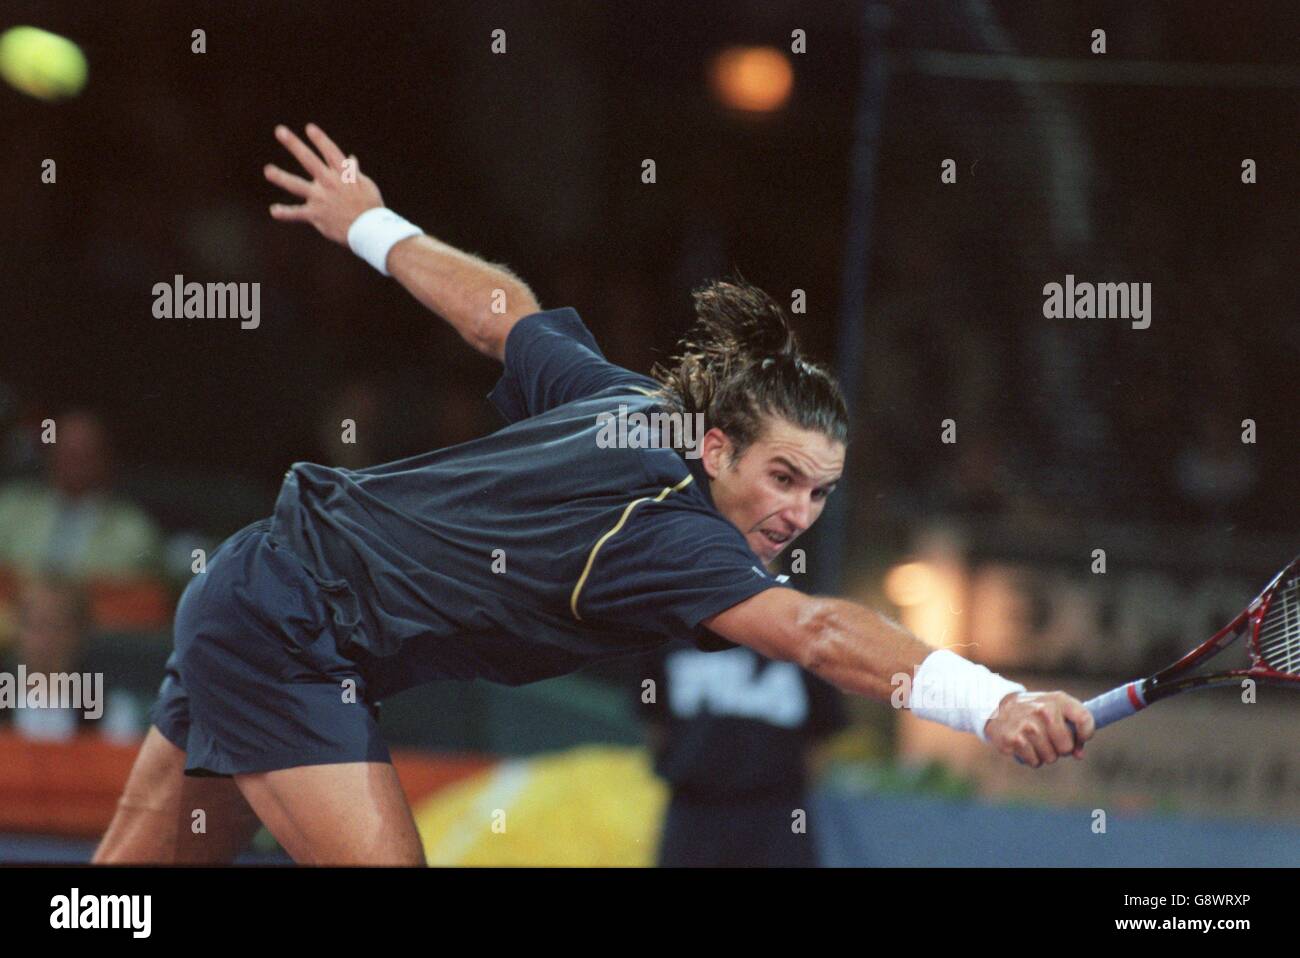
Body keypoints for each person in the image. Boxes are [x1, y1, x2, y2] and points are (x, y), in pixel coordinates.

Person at [94, 123, 1094, 866]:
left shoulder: (626, 403)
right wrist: (993, 698)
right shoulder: (681, 538)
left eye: (820, 492)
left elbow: (504, 315)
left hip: (254, 588)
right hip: (289, 626)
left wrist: (370, 223)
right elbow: (823, 636)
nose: (796, 512)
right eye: (780, 476)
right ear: (715, 447)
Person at [640, 640, 847, 867]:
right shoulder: (668, 631)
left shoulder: (801, 631)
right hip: (692, 808)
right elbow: (654, 716)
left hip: (779, 811)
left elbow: (822, 730)